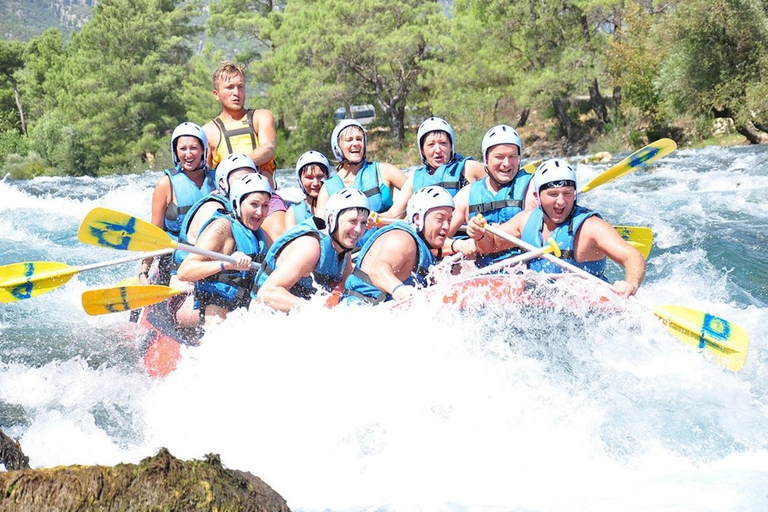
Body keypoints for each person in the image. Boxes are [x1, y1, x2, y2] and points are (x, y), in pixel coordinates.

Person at [466, 159, 646, 297]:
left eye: (567, 194)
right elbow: (489, 247)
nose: (561, 202)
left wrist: (630, 284)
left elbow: (632, 256)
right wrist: (480, 234)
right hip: (539, 302)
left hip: (585, 307)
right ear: (537, 196)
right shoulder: (525, 220)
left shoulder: (591, 228)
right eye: (552, 194)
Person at [202, 61, 287, 242]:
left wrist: (236, 164)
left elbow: (268, 149)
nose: (236, 93)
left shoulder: (261, 117)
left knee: (279, 236)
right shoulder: (208, 131)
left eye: (240, 87)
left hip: (265, 200)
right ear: (216, 94)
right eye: (230, 87)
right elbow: (204, 177)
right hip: (228, 204)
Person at [176, 173, 272, 324]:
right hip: (215, 311)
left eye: (265, 206)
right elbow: (184, 271)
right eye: (254, 204)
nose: (260, 212)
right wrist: (226, 264)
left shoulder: (258, 233)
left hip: (242, 309)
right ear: (238, 203)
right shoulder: (221, 228)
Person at [255, 188, 370, 312]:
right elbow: (266, 293)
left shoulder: (344, 253)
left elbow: (346, 288)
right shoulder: (310, 246)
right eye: (353, 221)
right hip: (262, 316)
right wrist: (316, 311)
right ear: (332, 219)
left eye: (363, 223)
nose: (358, 229)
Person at [343, 186, 456, 304]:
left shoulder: (422, 244)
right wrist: (398, 289)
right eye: (439, 219)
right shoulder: (402, 238)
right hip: (358, 310)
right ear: (418, 219)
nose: (446, 226)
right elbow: (378, 270)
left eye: (449, 220)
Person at [140, 121, 216, 285]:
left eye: (193, 148)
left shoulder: (219, 180)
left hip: (213, 257)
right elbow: (155, 232)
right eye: (183, 149)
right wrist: (143, 271)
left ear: (203, 150)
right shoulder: (166, 184)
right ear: (176, 151)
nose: (188, 154)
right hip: (176, 260)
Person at [315, 119, 410, 222]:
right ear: (338, 147)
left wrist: (394, 214)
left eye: (359, 139)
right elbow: (321, 229)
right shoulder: (327, 188)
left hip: (387, 235)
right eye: (349, 140)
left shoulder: (385, 171)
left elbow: (417, 192)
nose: (355, 143)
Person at [450, 124, 536, 236]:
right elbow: (437, 241)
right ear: (486, 159)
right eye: (499, 157)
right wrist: (457, 245)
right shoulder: (466, 195)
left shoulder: (532, 187)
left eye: (512, 156)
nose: (506, 163)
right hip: (480, 251)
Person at [407, 116, 486, 195]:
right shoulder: (414, 180)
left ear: (451, 146)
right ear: (422, 150)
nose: (438, 150)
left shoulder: (469, 168)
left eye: (443, 143)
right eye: (431, 145)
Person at [284, 150, 330, 230]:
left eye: (320, 176)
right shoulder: (293, 213)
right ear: (300, 180)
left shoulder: (338, 204)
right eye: (309, 177)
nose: (315, 183)